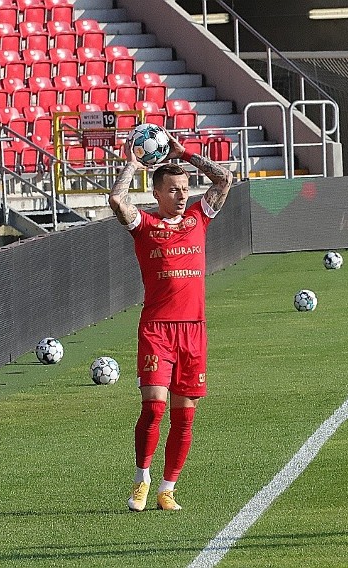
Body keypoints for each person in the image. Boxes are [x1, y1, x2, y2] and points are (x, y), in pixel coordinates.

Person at [109, 134, 233, 511]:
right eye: (173, 189)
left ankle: (168, 488)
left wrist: (187, 155)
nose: (182, 195)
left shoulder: (198, 218)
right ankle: (141, 479)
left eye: (185, 188)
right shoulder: (144, 226)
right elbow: (117, 199)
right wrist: (134, 161)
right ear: (157, 193)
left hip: (194, 330)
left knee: (185, 415)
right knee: (154, 408)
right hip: (157, 330)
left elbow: (224, 179)